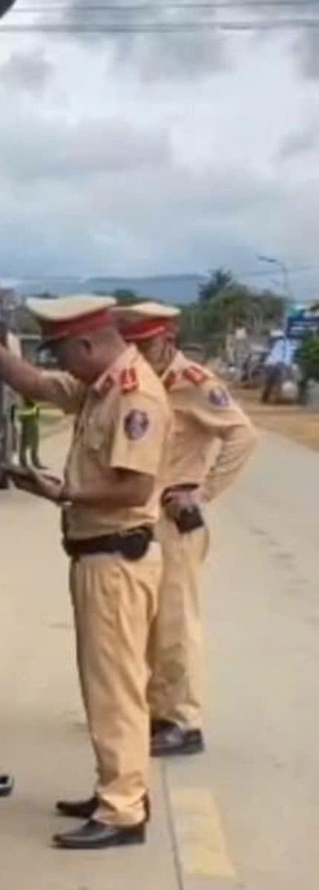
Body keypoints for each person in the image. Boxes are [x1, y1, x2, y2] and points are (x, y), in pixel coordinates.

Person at [0, 293, 169, 851]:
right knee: (106, 686)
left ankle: (123, 811)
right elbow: (34, 384)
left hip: (116, 558)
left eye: (62, 352)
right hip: (99, 556)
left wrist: (64, 490)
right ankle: (117, 790)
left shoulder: (134, 395)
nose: (60, 365)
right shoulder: (102, 385)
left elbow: (136, 486)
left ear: (88, 344)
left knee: (116, 690)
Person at [115, 302, 257, 757]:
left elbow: (242, 434)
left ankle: (184, 721)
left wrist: (204, 491)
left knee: (176, 623)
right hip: (144, 517)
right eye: (132, 345)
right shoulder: (139, 383)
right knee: (150, 625)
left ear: (167, 341)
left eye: (147, 344)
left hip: (176, 519)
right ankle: (159, 711)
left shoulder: (193, 383)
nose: (138, 352)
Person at [16, 392, 44, 469]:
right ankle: (33, 461)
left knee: (25, 439)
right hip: (29, 415)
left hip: (27, 413)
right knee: (32, 439)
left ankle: (24, 461)